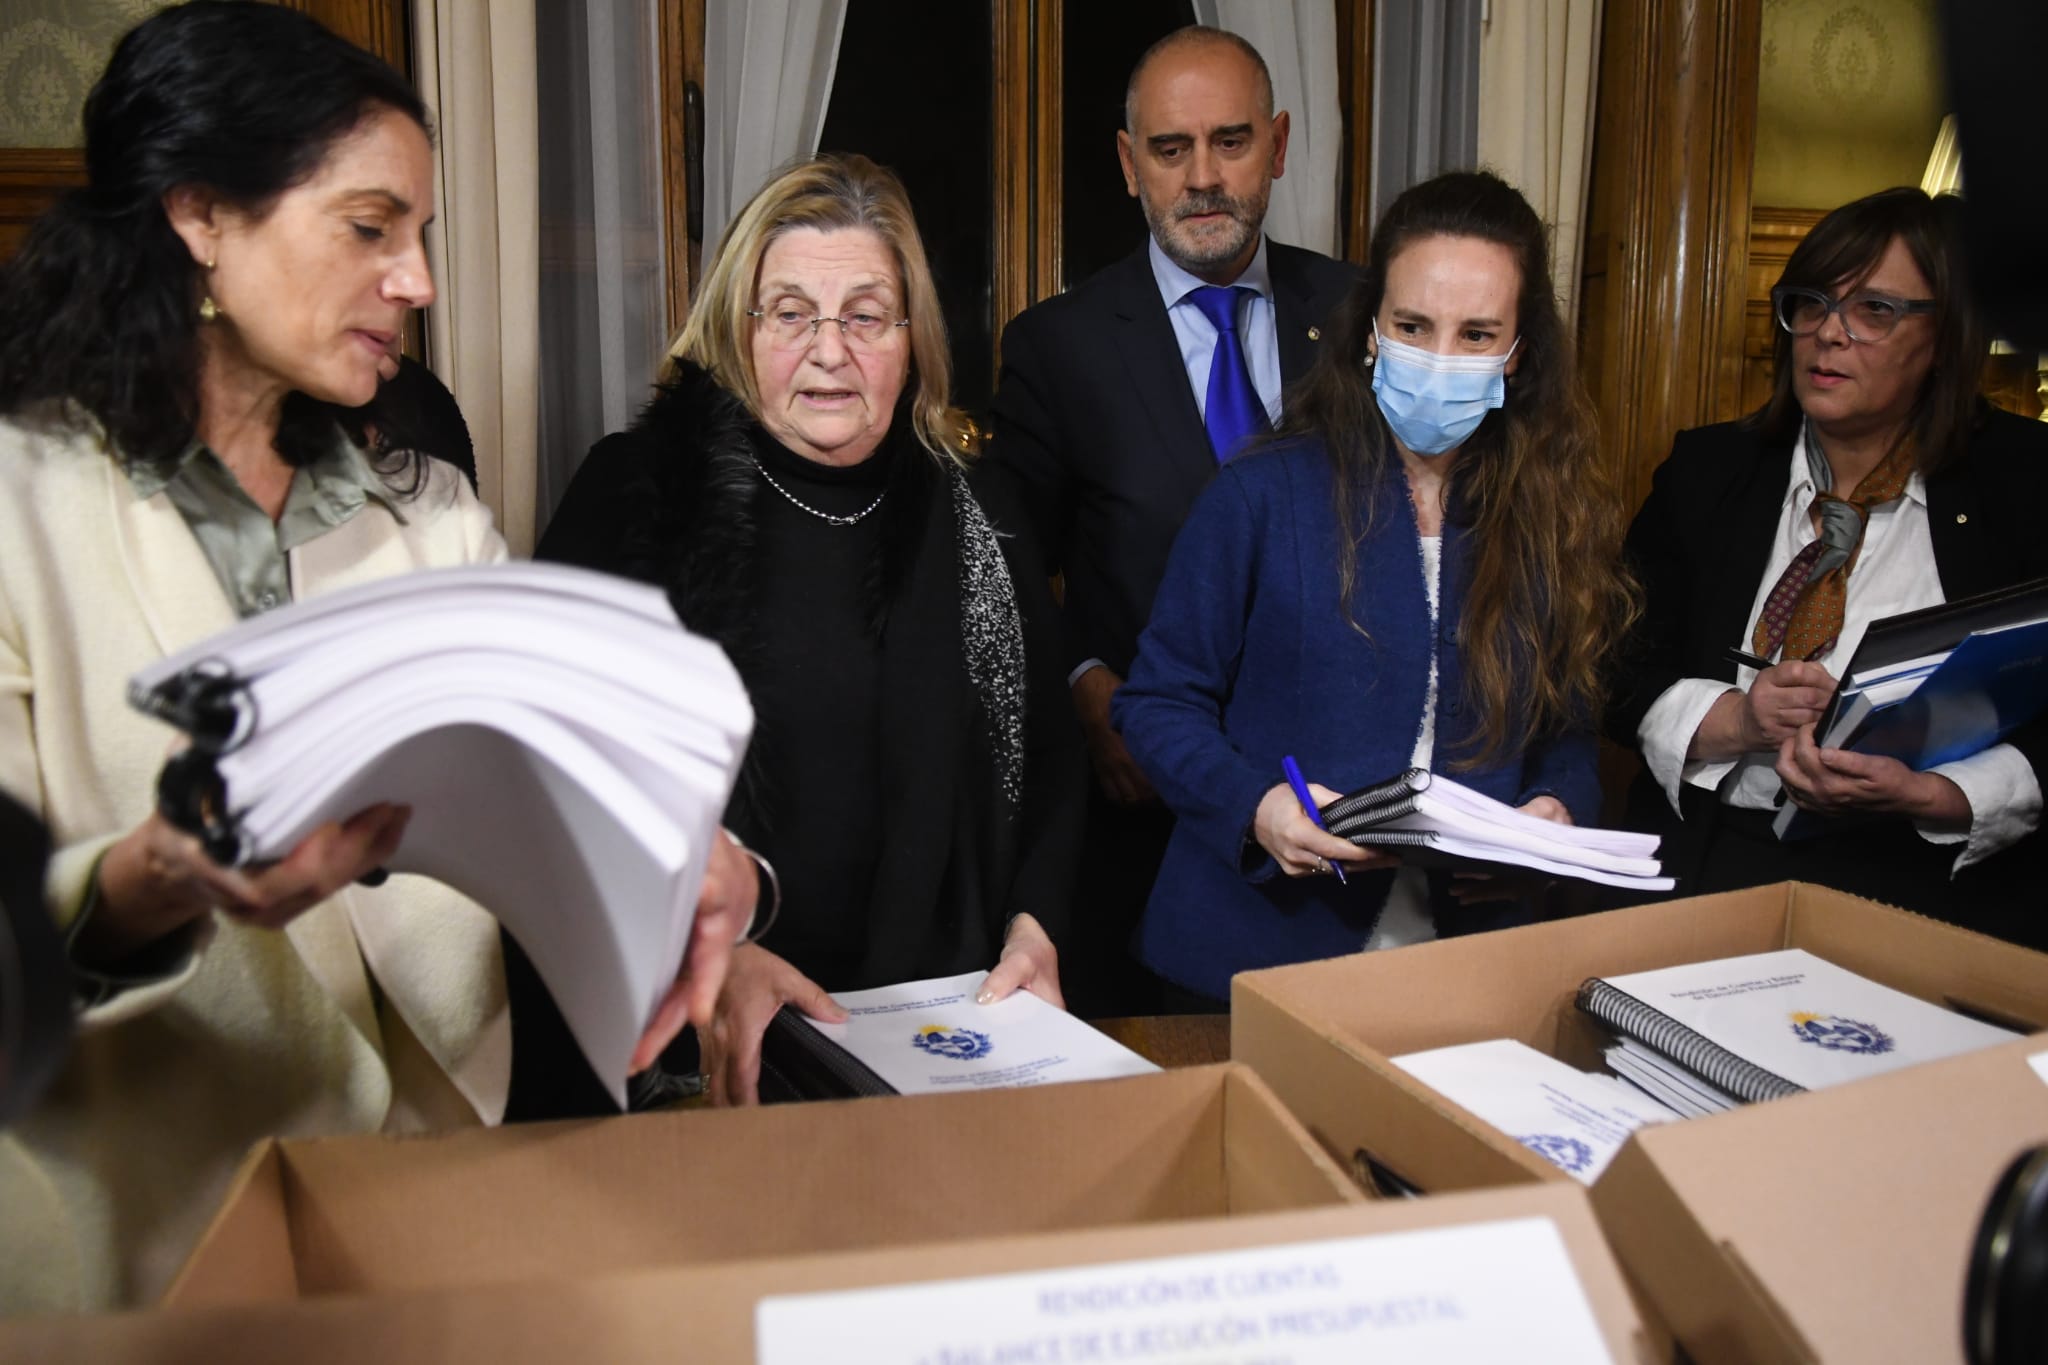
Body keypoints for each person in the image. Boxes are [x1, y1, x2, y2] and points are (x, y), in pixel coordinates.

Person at [0, 2, 752, 1313]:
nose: (419, 284)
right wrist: (146, 882)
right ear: (200, 216)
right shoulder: (19, 514)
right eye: (369, 228)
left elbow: (566, 770)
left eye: (423, 236)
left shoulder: (433, 517)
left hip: (433, 1228)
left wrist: (694, 855)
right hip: (141, 1264)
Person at [538, 154, 1085, 1106]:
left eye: (865, 316)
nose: (829, 351)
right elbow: (555, 781)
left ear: (911, 338)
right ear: (738, 327)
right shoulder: (637, 494)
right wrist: (708, 956)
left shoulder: (981, 511)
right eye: (790, 314)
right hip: (704, 1055)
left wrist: (1037, 929)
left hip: (939, 1045)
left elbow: (1053, 759)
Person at [1112, 171, 1638, 1007]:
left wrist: (1555, 811)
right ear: (1370, 331)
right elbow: (1156, 704)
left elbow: (1565, 731)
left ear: (1517, 353)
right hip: (1256, 959)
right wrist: (1260, 807)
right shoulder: (1261, 495)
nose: (1439, 358)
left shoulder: (1549, 519)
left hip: (1467, 966)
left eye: (1476, 334)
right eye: (1413, 326)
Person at [988, 26, 1357, 1016]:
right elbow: (1005, 574)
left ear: (1278, 146)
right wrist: (1083, 683)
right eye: (1169, 148)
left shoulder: (1359, 317)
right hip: (1141, 815)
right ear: (1128, 163)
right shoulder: (1057, 347)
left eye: (1230, 142)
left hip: (1332, 816)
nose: (1202, 178)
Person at [1607, 187, 2048, 944]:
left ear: (1947, 336)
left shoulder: (2027, 484)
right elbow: (1610, 668)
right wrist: (1737, 719)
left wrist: (1940, 793)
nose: (1828, 334)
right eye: (1810, 303)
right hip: (1713, 865)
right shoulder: (1708, 471)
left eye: (1874, 310)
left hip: (1934, 890)